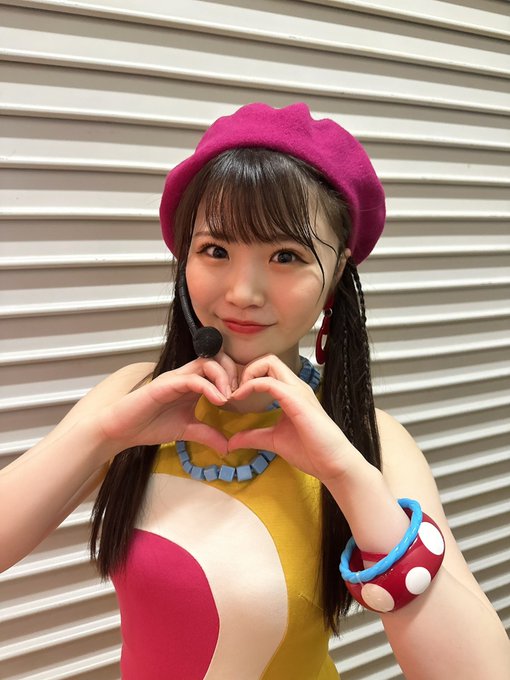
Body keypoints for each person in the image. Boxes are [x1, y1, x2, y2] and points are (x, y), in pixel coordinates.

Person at [1, 103, 509, 680]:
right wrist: (103, 437)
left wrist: (348, 476)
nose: (243, 292)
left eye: (286, 256)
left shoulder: (373, 441)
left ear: (337, 274)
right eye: (215, 250)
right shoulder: (131, 395)